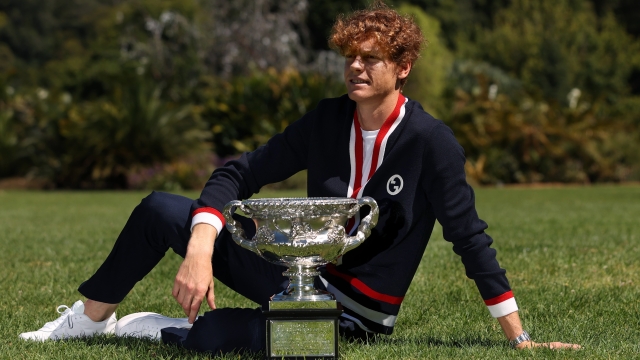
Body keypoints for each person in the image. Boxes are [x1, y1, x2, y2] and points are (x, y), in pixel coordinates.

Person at [20, 1, 580, 353]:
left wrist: (521, 339)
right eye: (351, 57)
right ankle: (88, 322)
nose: (357, 68)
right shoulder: (326, 119)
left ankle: (158, 327)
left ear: (402, 67)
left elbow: (469, 239)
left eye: (373, 59)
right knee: (160, 209)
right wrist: (200, 241)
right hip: (291, 276)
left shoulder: (431, 142)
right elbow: (240, 171)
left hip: (352, 316)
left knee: (213, 337)